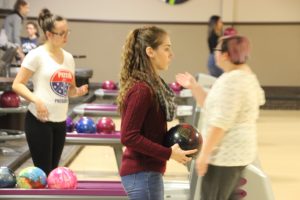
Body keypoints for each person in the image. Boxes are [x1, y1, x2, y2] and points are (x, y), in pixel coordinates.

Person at [176, 35, 265, 200]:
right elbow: (210, 104)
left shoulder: (232, 81)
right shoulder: (245, 76)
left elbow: (220, 123)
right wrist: (194, 87)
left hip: (224, 156)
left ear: (225, 55)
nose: (214, 53)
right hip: (239, 154)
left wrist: (205, 155)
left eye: (216, 49)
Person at [117, 26, 197, 200]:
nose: (171, 54)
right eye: (166, 48)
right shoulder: (142, 90)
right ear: (150, 52)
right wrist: (169, 153)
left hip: (146, 173)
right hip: (142, 175)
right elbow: (128, 136)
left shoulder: (152, 85)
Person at [12, 8, 88, 175]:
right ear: (49, 34)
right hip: (39, 122)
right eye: (61, 33)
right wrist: (37, 100)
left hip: (60, 122)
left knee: (53, 173)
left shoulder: (68, 58)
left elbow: (69, 91)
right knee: (44, 174)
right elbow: (17, 84)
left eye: (67, 32)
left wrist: (78, 91)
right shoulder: (36, 55)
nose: (66, 37)